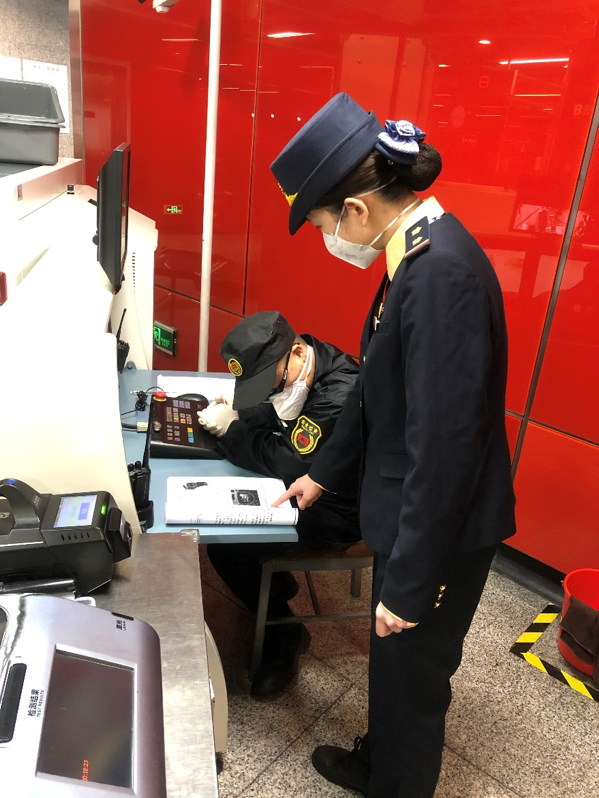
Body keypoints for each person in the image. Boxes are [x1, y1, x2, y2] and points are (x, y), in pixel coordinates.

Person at [270, 93, 516, 796]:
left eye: (323, 223)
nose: (328, 237)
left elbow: (446, 446)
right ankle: (379, 762)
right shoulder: (411, 251)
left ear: (354, 208)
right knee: (392, 664)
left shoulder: (441, 276)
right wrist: (323, 474)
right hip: (408, 514)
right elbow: (379, 390)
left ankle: (396, 783)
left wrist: (409, 582)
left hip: (438, 530)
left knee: (412, 679)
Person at [197, 310, 361, 698]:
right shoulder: (307, 362)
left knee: (226, 546)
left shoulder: (338, 395)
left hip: (339, 510)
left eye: (270, 382)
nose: (270, 391)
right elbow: (278, 406)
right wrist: (241, 410)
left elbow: (289, 460)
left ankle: (285, 633)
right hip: (310, 486)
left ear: (297, 353)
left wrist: (232, 429)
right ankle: (273, 587)